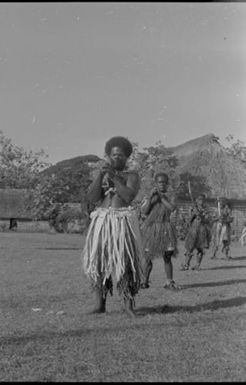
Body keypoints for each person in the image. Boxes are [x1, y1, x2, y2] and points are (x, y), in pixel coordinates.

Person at [82, 136, 143, 317]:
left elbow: (128, 196)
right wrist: (101, 174)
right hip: (102, 222)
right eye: (114, 155)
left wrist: (114, 177)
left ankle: (128, 305)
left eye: (121, 155)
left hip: (122, 221)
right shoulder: (103, 174)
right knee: (100, 262)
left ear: (127, 157)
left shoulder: (132, 176)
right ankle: (100, 304)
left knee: (125, 263)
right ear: (108, 155)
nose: (117, 158)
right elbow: (92, 198)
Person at [140, 172, 180, 290]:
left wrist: (161, 197)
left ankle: (169, 282)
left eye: (164, 182)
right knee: (147, 256)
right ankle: (144, 281)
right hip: (152, 228)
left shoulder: (171, 195)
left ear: (167, 183)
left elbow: (172, 208)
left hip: (166, 227)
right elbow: (144, 211)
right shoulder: (149, 195)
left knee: (167, 257)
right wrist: (151, 199)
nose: (162, 184)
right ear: (156, 183)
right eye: (159, 182)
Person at [180, 193, 211, 271]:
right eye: (199, 199)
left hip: (202, 230)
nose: (201, 201)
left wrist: (202, 216)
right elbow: (190, 220)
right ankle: (186, 264)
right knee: (190, 247)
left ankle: (197, 265)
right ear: (196, 200)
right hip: (194, 229)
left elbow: (208, 220)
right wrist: (194, 213)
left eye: (202, 199)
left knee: (200, 248)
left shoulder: (206, 209)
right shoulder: (194, 208)